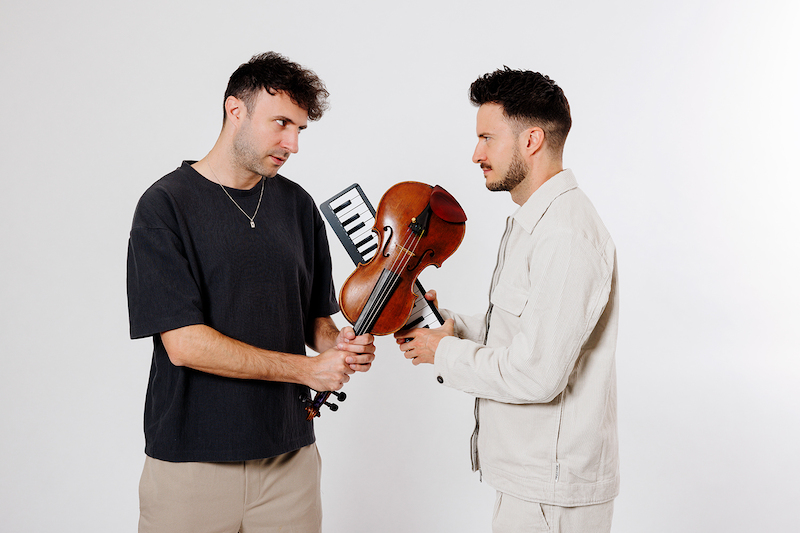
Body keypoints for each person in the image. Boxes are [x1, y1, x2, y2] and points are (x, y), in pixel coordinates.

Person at [126, 52, 375, 533]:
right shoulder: (164, 206)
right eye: (281, 123)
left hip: (290, 462)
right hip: (191, 465)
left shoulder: (298, 205)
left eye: (300, 129)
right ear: (234, 110)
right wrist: (308, 369)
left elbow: (315, 319)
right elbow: (184, 344)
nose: (292, 144)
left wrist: (338, 344)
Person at [395, 68, 619, 532]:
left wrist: (444, 352)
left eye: (487, 138)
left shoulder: (564, 235)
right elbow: (522, 332)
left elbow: (536, 374)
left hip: (551, 495)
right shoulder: (536, 221)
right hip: (530, 485)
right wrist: (444, 323)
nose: (476, 154)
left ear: (531, 140)